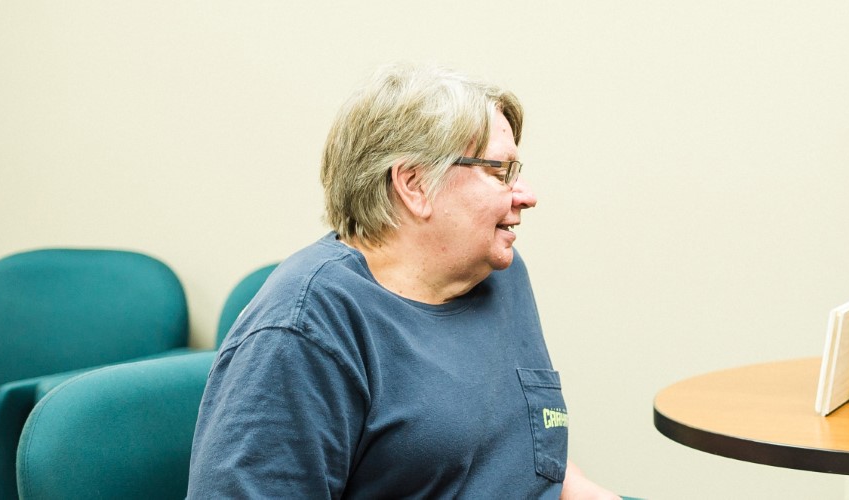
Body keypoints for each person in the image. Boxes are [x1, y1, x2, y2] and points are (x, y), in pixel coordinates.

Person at [189, 64, 618, 499]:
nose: (526, 194)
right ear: (414, 185)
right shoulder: (303, 330)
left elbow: (537, 459)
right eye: (499, 171)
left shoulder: (499, 273)